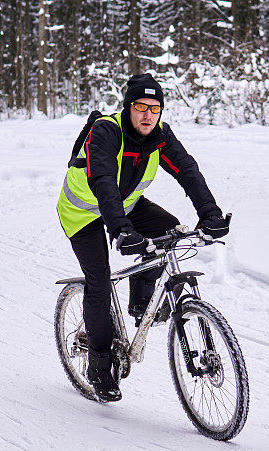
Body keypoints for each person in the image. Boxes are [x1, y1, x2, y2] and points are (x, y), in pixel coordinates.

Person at [56, 73, 230, 402]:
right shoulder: (107, 132)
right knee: (100, 282)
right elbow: (104, 181)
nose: (148, 115)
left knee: (169, 232)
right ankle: (99, 364)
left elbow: (187, 170)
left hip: (125, 205)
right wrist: (121, 229)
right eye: (140, 106)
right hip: (83, 213)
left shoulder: (159, 136)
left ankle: (141, 302)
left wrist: (210, 213)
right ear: (128, 108)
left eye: (155, 108)